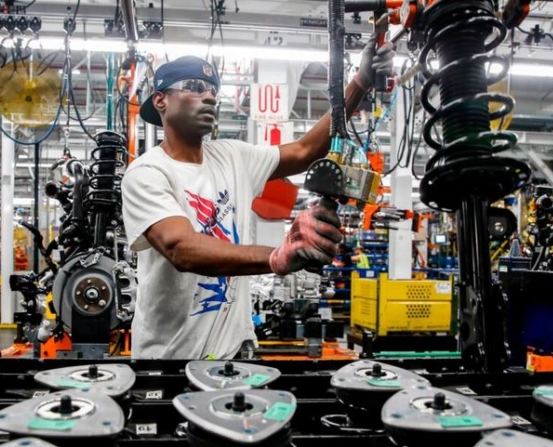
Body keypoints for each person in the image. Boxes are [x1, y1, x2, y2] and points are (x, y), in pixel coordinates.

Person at [121, 33, 395, 360]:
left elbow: (305, 149)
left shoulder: (234, 156)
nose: (209, 97)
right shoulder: (146, 172)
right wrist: (276, 256)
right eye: (194, 87)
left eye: (213, 91)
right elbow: (181, 248)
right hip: (169, 359)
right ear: (160, 100)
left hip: (235, 354)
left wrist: (360, 83)